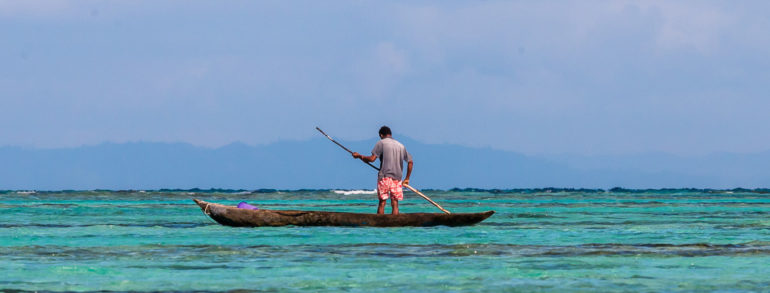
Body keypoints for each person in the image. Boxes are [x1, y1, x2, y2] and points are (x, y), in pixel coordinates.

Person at [352, 126, 413, 215]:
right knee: (395, 203)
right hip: (397, 179)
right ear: (390, 134)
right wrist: (407, 178)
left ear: (381, 135)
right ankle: (394, 225)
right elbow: (410, 162)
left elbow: (372, 159)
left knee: (382, 203)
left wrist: (359, 156)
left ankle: (380, 227)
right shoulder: (401, 146)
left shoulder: (381, 143)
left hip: (384, 177)